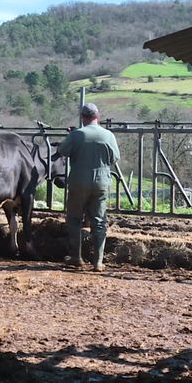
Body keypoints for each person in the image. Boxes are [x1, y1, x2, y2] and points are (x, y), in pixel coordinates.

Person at [57, 103, 120, 272]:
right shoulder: (108, 135)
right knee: (99, 221)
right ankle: (98, 262)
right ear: (97, 116)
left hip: (78, 181)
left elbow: (62, 151)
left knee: (75, 219)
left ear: (83, 117)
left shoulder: (77, 134)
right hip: (101, 181)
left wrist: (73, 137)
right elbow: (115, 158)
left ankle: (76, 257)